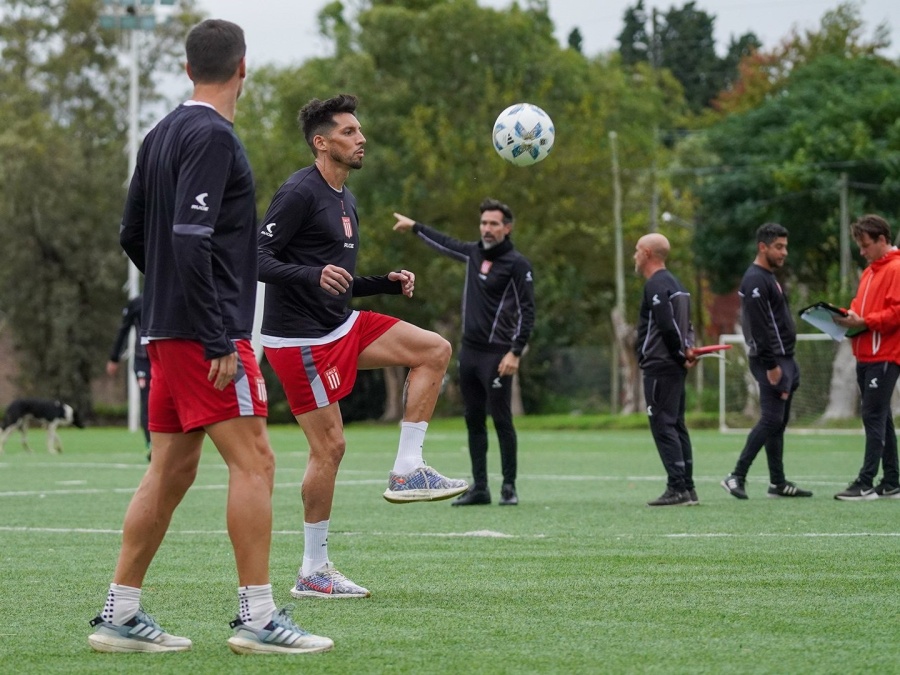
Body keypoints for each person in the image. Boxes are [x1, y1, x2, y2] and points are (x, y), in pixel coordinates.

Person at [88, 19, 332, 655]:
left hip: (167, 330)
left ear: (188, 66)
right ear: (242, 67)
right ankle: (258, 617)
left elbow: (132, 236)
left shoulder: (161, 132)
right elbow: (191, 238)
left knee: (170, 469)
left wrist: (172, 296)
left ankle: (120, 613)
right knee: (256, 460)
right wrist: (220, 332)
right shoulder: (213, 135)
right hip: (209, 335)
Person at [257, 94, 468, 600]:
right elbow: (255, 259)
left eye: (359, 131)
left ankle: (407, 469)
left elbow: (337, 280)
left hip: (339, 323)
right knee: (329, 448)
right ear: (321, 142)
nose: (361, 138)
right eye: (349, 132)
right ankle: (313, 571)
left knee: (434, 349)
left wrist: (384, 284)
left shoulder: (345, 198)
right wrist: (309, 274)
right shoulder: (298, 192)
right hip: (298, 339)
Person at [392, 199, 535, 506]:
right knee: (473, 419)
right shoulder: (473, 253)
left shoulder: (517, 264)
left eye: (494, 223)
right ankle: (480, 487)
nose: (487, 228)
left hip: (499, 354)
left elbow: (527, 312)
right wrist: (415, 227)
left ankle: (508, 487)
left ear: (507, 228)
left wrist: (515, 352)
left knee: (501, 419)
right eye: (484, 223)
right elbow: (445, 243)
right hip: (470, 352)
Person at [721, 223, 813, 500]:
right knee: (771, 419)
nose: (784, 252)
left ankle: (778, 482)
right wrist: (772, 365)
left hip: (785, 357)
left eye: (785, 246)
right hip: (770, 361)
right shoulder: (755, 280)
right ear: (763, 247)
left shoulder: (769, 276)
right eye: (779, 247)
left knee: (779, 422)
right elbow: (759, 328)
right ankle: (736, 475)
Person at [833, 214, 900, 501]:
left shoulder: (896, 268)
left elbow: (896, 313)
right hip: (864, 354)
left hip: (885, 354)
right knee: (881, 416)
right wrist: (842, 316)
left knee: (872, 415)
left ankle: (865, 482)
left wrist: (863, 322)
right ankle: (893, 480)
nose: (861, 251)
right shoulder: (870, 271)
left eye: (865, 245)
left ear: (882, 240)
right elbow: (859, 308)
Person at [634, 233, 698, 506]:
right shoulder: (676, 284)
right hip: (673, 364)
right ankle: (689, 487)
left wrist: (678, 352)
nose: (634, 256)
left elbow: (666, 324)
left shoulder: (656, 284)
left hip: (661, 365)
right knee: (676, 424)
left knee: (663, 425)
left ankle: (677, 488)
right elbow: (687, 325)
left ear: (648, 253)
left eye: (637, 250)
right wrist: (688, 349)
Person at [106, 294, 151, 458]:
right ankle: (151, 444)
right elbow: (123, 329)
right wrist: (114, 357)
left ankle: (170, 445)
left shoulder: (168, 297)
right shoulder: (137, 303)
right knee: (147, 402)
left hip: (165, 359)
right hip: (143, 360)